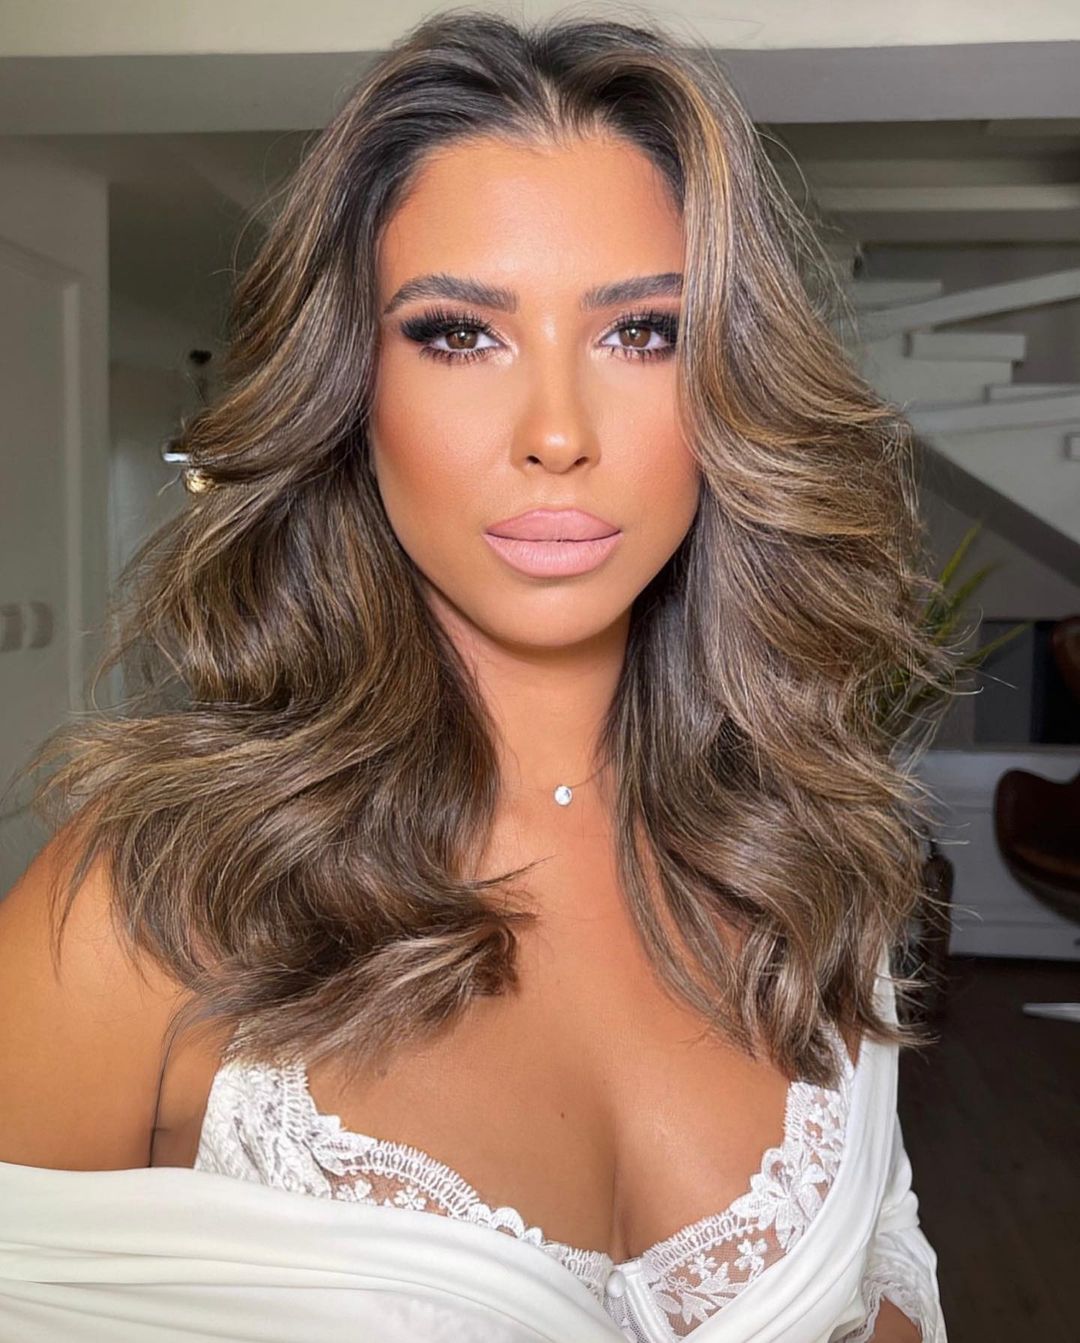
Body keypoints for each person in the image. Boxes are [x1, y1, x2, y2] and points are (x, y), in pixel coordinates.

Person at [0, 8, 956, 1341]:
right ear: (350, 391)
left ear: (731, 389)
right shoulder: (141, 907)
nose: (557, 432)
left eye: (643, 333)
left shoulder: (808, 869)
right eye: (459, 334)